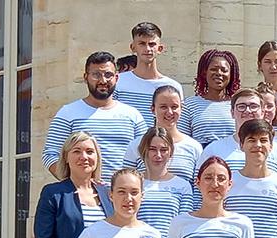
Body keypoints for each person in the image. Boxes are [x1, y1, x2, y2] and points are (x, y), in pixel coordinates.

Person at [43, 51, 146, 182]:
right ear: (86, 77)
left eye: (108, 75)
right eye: (96, 75)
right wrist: (75, 184)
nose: (103, 81)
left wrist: (132, 186)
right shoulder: (68, 114)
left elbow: (145, 157)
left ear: (116, 78)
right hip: (83, 198)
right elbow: (50, 154)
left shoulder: (133, 116)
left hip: (123, 197)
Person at [197, 88, 277, 194]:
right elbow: (199, 190)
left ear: (263, 112)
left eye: (253, 106)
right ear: (232, 112)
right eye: (241, 106)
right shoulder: (214, 149)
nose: (248, 111)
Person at [123, 85, 203, 183]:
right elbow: (126, 182)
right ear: (153, 109)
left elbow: (197, 187)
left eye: (174, 107)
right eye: (163, 107)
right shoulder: (136, 145)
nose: (169, 112)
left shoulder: (194, 147)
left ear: (181, 109)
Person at [114, 22, 183, 124]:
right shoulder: (118, 82)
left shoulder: (173, 86)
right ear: (133, 47)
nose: (147, 49)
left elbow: (177, 124)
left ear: (160, 49)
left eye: (152, 44)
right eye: (142, 44)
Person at [178, 49, 240, 146]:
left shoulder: (238, 105)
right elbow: (182, 141)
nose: (219, 73)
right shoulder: (189, 105)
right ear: (204, 73)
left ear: (231, 75)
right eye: (213, 69)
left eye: (224, 70)